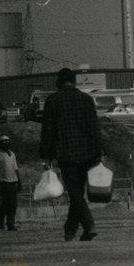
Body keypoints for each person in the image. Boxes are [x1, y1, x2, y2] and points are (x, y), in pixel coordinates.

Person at [39, 67, 103, 241]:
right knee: (78, 193)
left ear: (58, 82)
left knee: (74, 192)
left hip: (66, 153)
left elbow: (48, 130)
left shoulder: (53, 101)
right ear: (74, 81)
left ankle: (89, 225)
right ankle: (70, 230)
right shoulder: (86, 99)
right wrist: (99, 151)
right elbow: (94, 129)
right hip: (88, 154)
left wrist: (46, 154)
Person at [0, 134, 21, 230]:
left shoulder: (12, 154)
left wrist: (19, 181)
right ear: (0, 144)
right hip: (3, 182)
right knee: (7, 202)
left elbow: (16, 169)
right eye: (4, 142)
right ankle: (1, 220)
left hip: (13, 181)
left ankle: (9, 223)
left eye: (7, 142)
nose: (6, 144)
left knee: (13, 204)